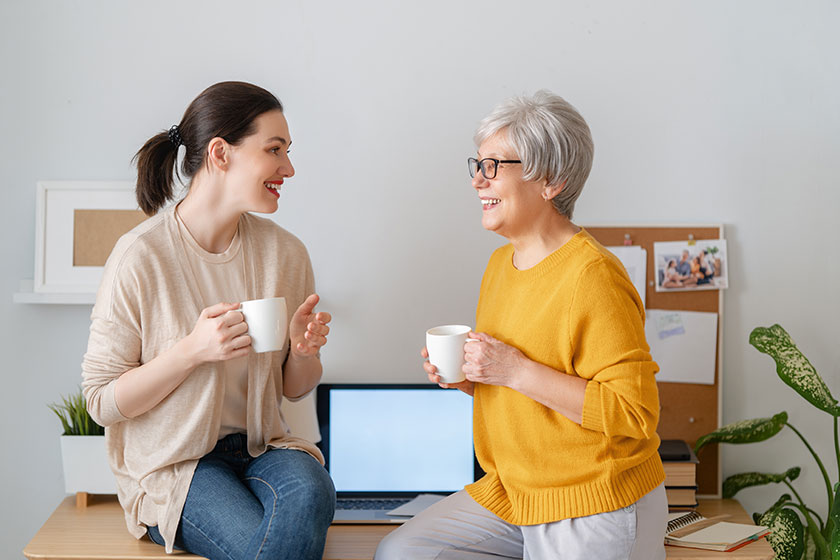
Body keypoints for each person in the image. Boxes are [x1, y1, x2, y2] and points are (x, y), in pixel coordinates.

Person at [376, 91, 667, 560]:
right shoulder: (500, 265)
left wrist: (513, 371)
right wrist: (472, 378)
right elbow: (528, 390)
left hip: (594, 502)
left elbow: (633, 413)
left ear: (550, 181)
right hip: (515, 494)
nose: (477, 180)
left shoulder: (593, 276)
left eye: (494, 166)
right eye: (478, 164)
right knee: (405, 552)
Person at [81, 81, 336, 560]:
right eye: (274, 150)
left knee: (312, 492)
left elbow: (294, 388)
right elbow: (101, 401)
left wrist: (303, 353)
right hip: (178, 464)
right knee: (261, 546)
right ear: (221, 153)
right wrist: (192, 351)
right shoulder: (141, 257)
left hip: (264, 449)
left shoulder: (286, 253)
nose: (289, 168)